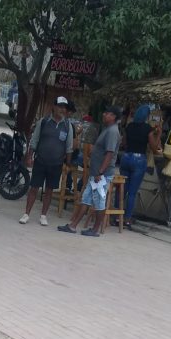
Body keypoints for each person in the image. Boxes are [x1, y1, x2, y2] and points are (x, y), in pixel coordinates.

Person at [58, 105, 121, 238]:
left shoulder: (112, 132)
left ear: (114, 117)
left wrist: (100, 172)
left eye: (107, 113)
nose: (104, 115)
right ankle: (73, 226)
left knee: (99, 202)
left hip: (101, 174)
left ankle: (95, 229)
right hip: (96, 173)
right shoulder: (107, 129)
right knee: (86, 199)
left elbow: (109, 154)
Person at [19, 97, 74, 227]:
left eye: (64, 107)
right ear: (53, 107)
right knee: (34, 188)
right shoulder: (43, 122)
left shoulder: (68, 126)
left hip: (56, 163)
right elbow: (35, 140)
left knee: (49, 190)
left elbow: (69, 147)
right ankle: (26, 214)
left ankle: (43, 216)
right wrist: (29, 156)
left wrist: (68, 164)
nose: (62, 109)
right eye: (60, 106)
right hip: (41, 160)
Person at [121, 104, 162, 229]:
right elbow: (154, 148)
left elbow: (123, 143)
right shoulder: (147, 129)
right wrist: (158, 134)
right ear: (146, 116)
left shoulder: (129, 126)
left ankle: (116, 215)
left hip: (126, 157)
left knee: (122, 189)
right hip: (139, 160)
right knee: (132, 192)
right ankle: (127, 219)